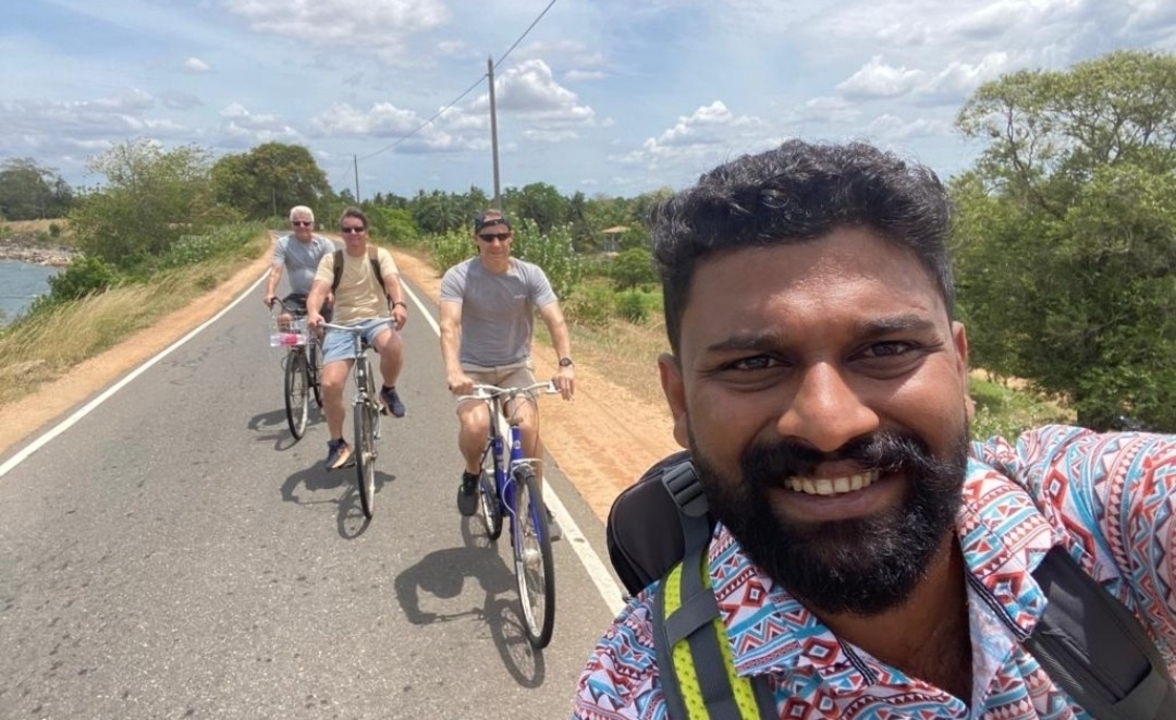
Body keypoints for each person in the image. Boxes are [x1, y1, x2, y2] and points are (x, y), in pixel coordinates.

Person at [573, 140, 1176, 717]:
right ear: (679, 400)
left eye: (887, 348)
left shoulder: (1091, 515)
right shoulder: (638, 690)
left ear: (961, 369)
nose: (829, 424)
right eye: (754, 364)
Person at [439, 210, 574, 537]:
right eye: (488, 237)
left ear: (511, 237)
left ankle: (537, 503)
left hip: (516, 367)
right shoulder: (459, 276)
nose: (496, 243)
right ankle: (472, 472)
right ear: (476, 240)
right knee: (476, 425)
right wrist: (453, 369)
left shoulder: (530, 274)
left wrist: (566, 363)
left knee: (527, 428)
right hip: (472, 369)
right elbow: (449, 324)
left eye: (502, 235)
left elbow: (554, 319)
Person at [306, 206, 408, 470]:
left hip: (375, 319)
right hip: (342, 324)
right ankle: (337, 443)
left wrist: (399, 304)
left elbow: (393, 282)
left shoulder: (378, 255)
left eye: (358, 229)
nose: (353, 233)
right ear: (340, 233)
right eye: (347, 229)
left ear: (366, 232)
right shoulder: (332, 259)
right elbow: (318, 290)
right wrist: (314, 312)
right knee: (329, 385)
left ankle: (388, 391)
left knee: (394, 345)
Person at [263, 205, 336, 322]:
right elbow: (275, 271)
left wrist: (330, 292)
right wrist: (270, 293)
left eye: (306, 223)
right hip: (297, 295)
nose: (302, 226)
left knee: (321, 329)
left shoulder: (325, 244)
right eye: (297, 223)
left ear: (312, 225)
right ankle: (295, 340)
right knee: (284, 319)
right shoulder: (283, 244)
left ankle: (321, 338)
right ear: (292, 225)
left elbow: (332, 271)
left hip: (321, 295)